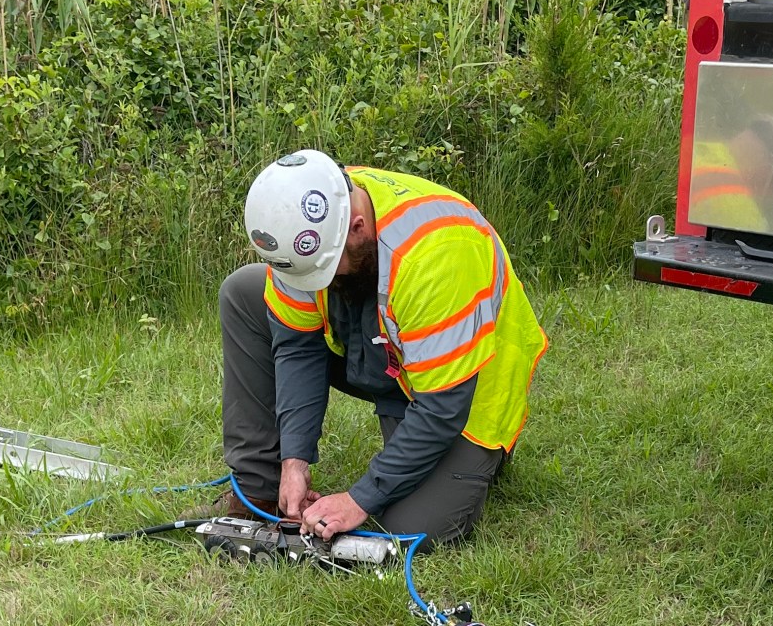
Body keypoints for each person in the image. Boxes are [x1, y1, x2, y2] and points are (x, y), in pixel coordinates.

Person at [221, 151, 547, 546]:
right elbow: (298, 346)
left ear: (357, 228)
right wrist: (294, 459)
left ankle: (483, 460)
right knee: (244, 293)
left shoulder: (435, 257)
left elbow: (442, 409)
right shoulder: (308, 227)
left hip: (464, 391)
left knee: (411, 526)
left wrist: (359, 499)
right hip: (385, 350)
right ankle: (259, 489)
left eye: (324, 273)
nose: (316, 285)